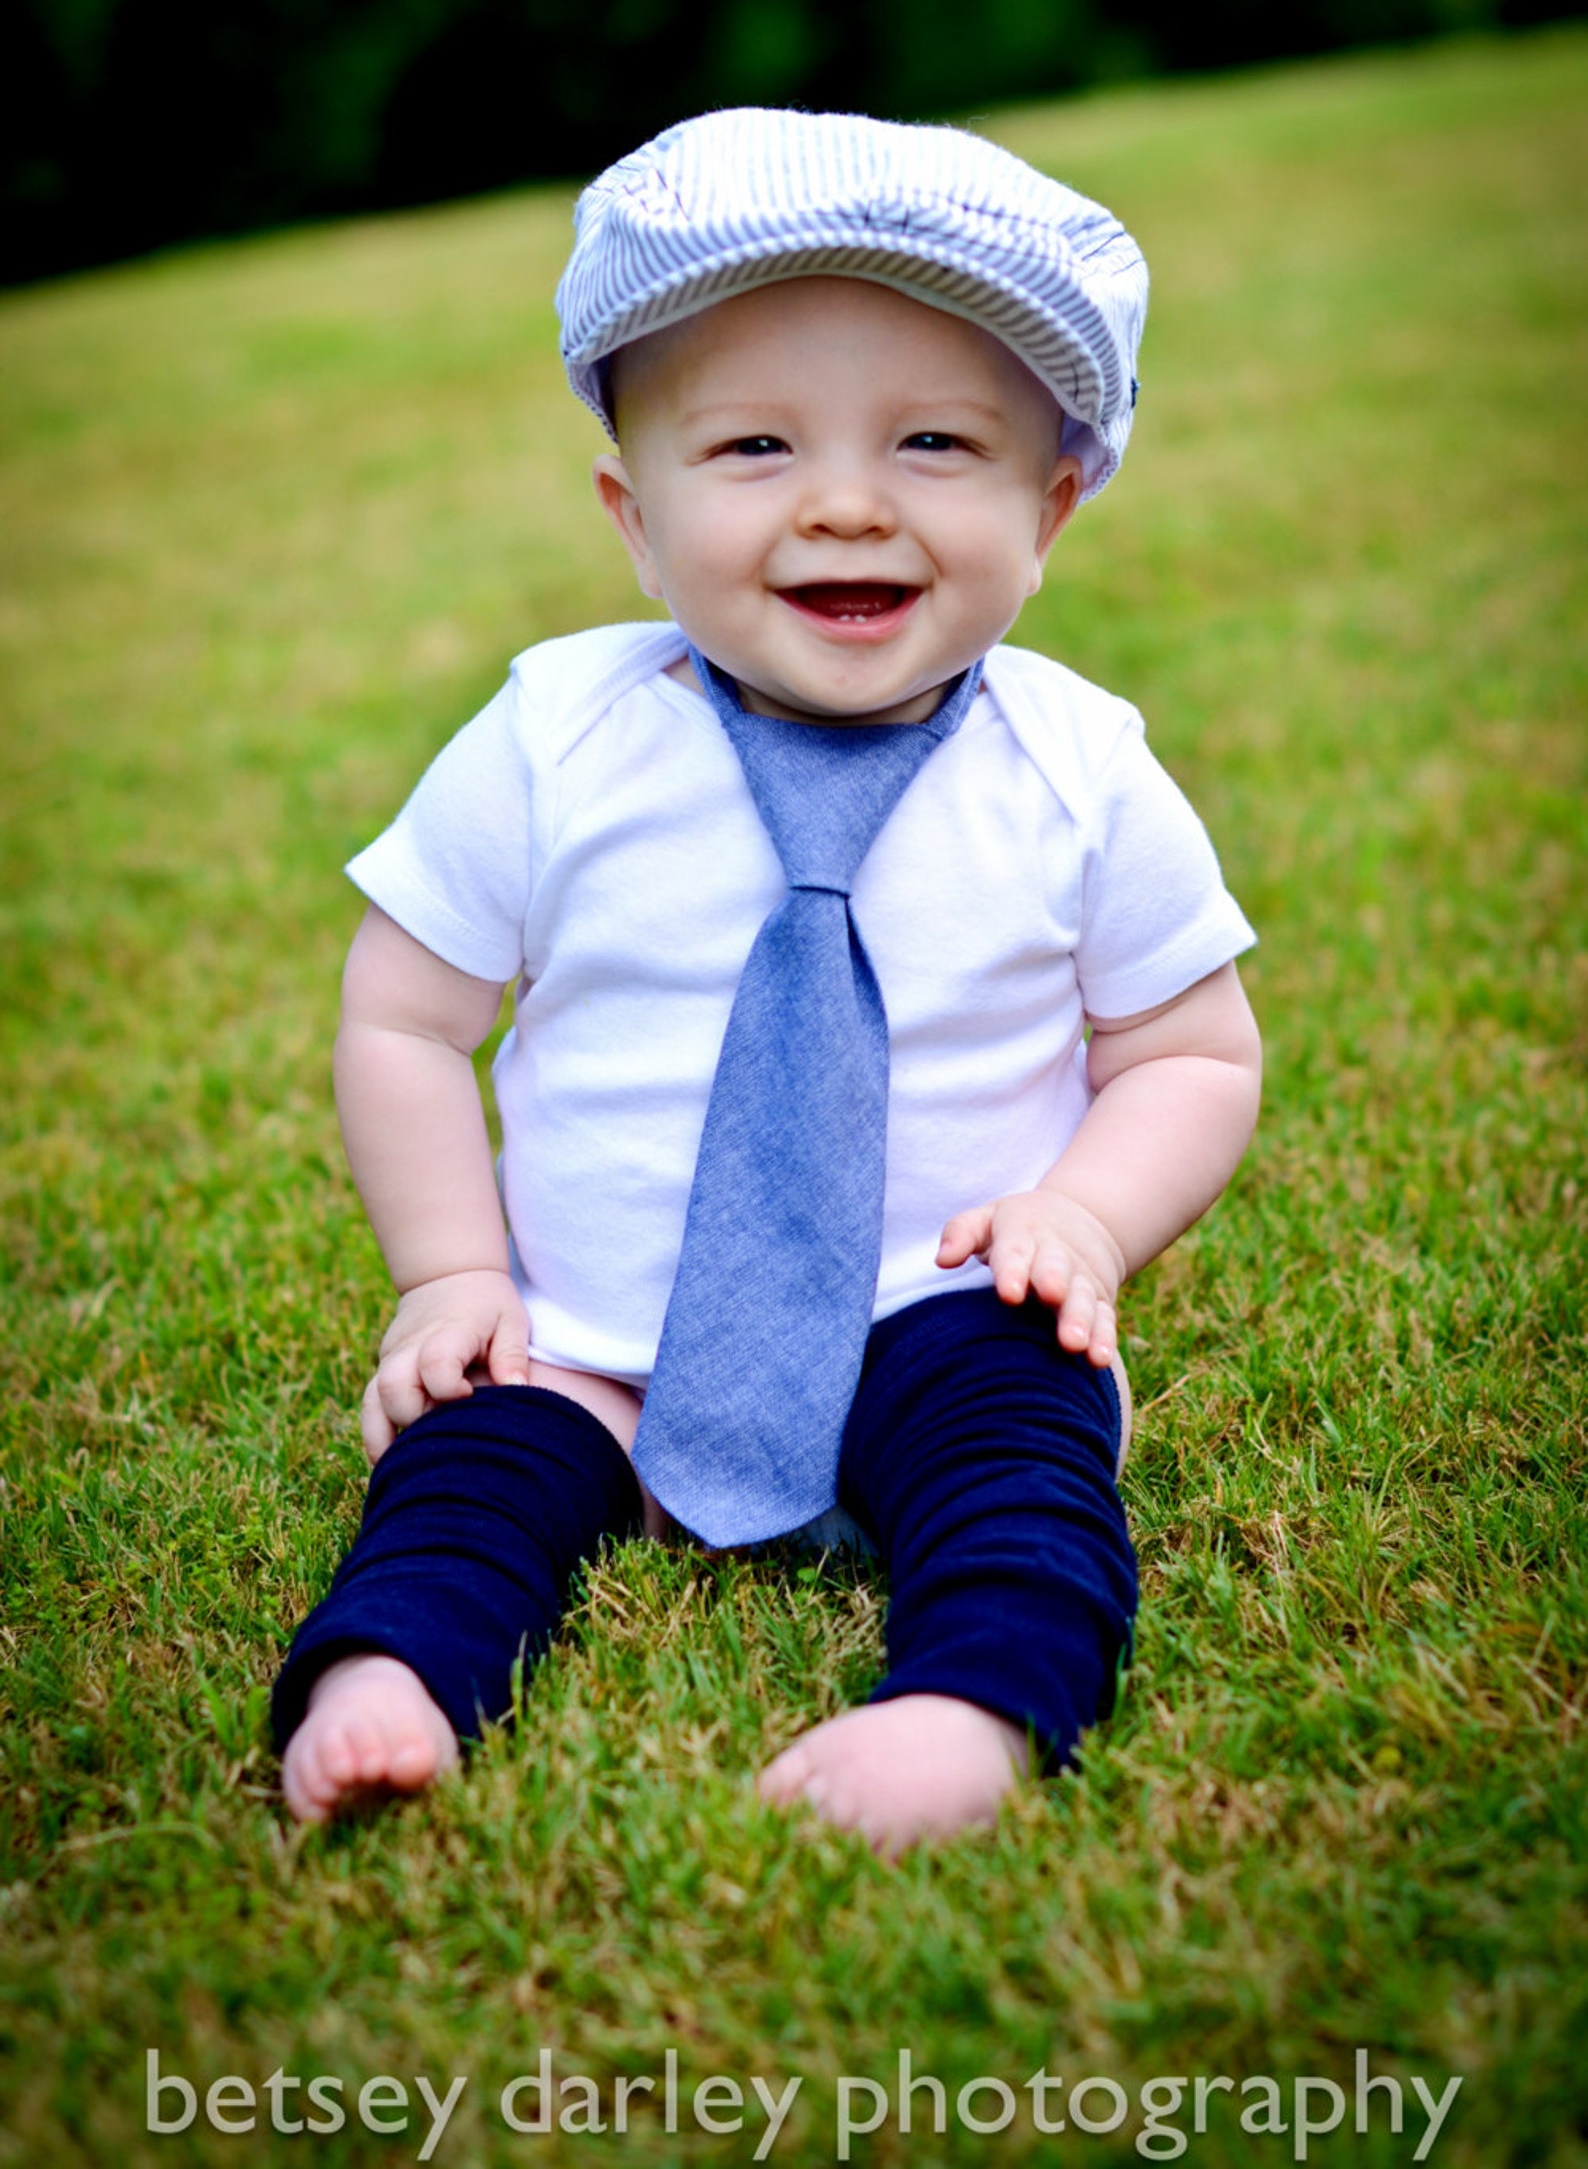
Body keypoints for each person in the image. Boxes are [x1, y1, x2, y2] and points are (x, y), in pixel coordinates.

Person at [272, 107, 1261, 1853]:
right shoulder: (555, 740)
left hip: (935, 1307)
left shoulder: (1079, 769)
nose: (847, 501)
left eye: (935, 440)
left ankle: (971, 1707)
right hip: (593, 1335)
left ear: (1050, 505)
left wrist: (1085, 1221)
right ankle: (393, 1677)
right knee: (465, 1468)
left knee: (1022, 1475)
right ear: (636, 519)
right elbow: (406, 1018)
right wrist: (452, 1276)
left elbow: (1191, 1050)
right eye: (752, 445)